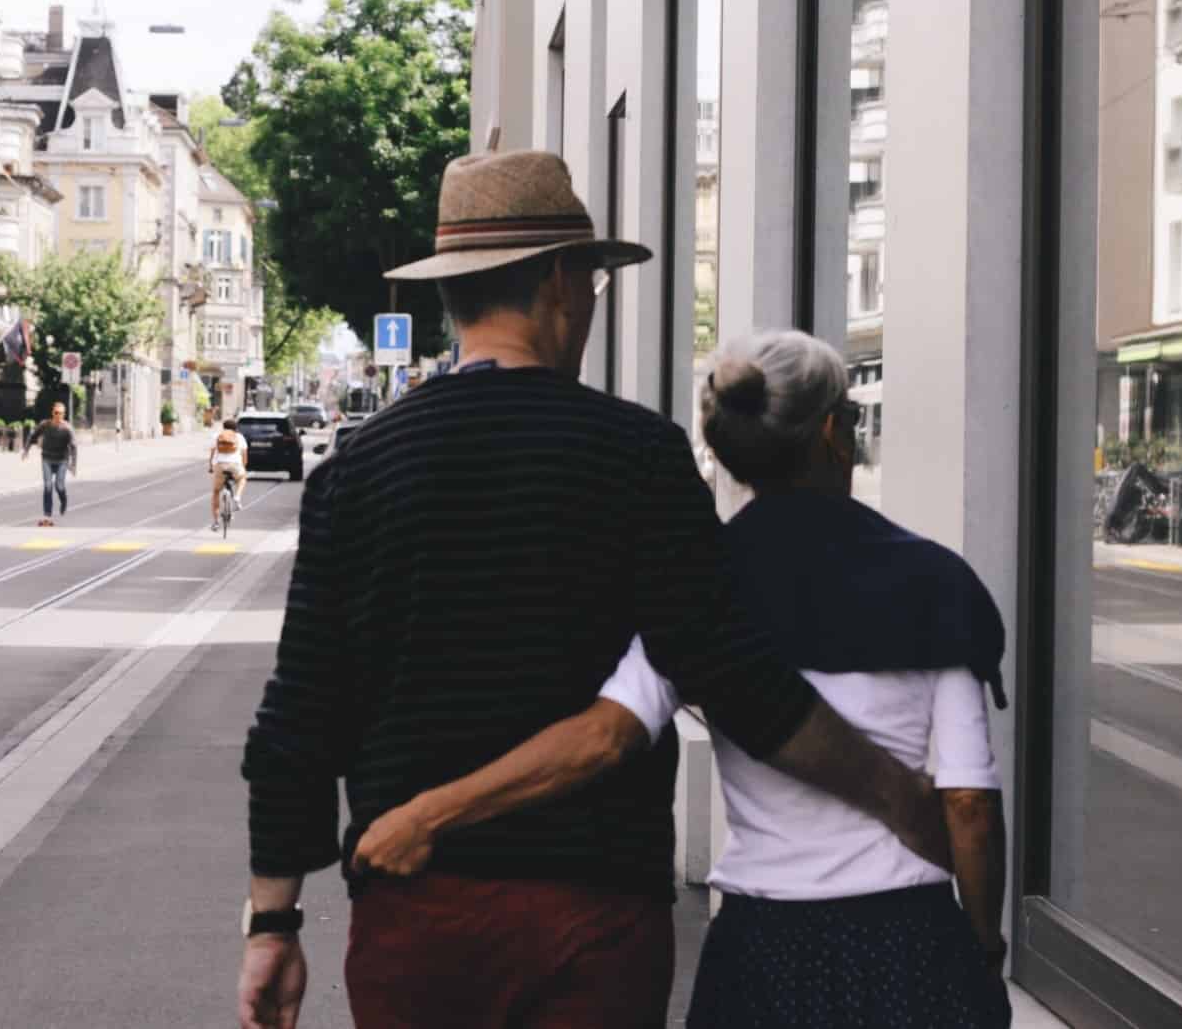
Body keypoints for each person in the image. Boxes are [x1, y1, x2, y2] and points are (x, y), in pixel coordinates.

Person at [238, 151, 950, 1029]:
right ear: (559, 286)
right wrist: (898, 796)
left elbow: (299, 715)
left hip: (415, 917)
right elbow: (732, 674)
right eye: (592, 284)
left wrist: (273, 922)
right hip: (592, 920)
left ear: (453, 296)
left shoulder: (357, 473)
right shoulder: (637, 454)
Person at [354, 330, 1012, 1028]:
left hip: (763, 949)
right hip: (908, 941)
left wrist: (428, 814)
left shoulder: (701, 584)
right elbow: (969, 802)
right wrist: (982, 945)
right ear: (831, 433)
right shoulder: (936, 583)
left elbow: (602, 738)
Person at [22, 401, 77, 527]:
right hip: (47, 458)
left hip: (62, 460)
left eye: (61, 413)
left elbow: (74, 447)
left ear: (64, 414)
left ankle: (63, 499)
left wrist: (73, 465)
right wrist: (26, 450)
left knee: (59, 486)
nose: (58, 415)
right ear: (52, 413)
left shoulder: (67, 428)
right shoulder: (45, 425)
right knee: (48, 486)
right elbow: (33, 436)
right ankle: (47, 515)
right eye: (56, 413)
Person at [209, 416, 248, 526]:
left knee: (216, 492)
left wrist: (211, 467)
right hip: (235, 465)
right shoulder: (240, 437)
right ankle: (237, 497)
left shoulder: (217, 436)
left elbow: (212, 454)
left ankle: (216, 522)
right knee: (242, 478)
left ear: (223, 427)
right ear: (236, 428)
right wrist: (243, 467)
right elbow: (244, 456)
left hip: (219, 465)